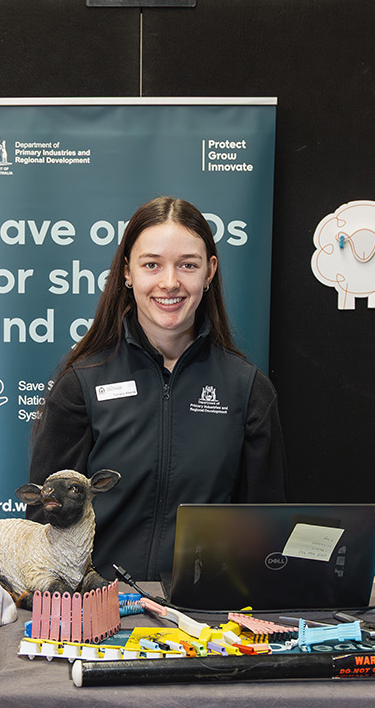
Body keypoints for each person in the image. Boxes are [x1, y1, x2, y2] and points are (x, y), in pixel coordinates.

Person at [28, 195, 285, 582]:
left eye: (188, 265)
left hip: (203, 618)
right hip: (97, 609)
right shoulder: (81, 383)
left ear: (209, 271)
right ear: (128, 272)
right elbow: (42, 520)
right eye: (152, 265)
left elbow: (268, 531)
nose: (170, 282)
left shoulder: (247, 388)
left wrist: (324, 576)